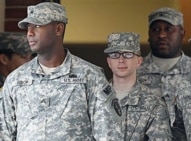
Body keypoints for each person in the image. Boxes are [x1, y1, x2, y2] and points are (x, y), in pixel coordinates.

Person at [0, 2, 122, 141]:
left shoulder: (91, 76)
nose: (30, 33)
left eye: (37, 26)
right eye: (28, 27)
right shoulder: (15, 80)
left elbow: (109, 134)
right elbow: (4, 134)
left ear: (58, 29)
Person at [137, 7, 191, 141]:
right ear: (148, 35)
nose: (161, 35)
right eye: (156, 29)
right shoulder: (133, 72)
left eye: (168, 28)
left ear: (183, 33)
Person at [104, 32, 172, 140]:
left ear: (139, 61)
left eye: (128, 54)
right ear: (109, 62)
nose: (121, 60)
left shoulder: (154, 103)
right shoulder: (94, 98)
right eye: (115, 55)